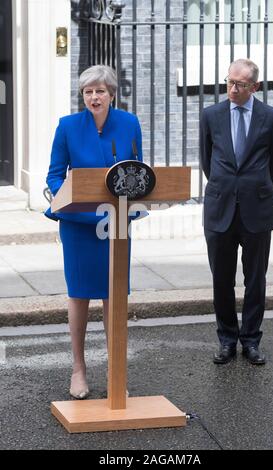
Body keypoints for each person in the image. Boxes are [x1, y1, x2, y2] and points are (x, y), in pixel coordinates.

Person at [45, 65, 143, 398]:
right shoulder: (68, 127)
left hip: (115, 224)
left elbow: (138, 172)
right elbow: (55, 176)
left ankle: (117, 374)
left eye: (100, 90)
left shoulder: (129, 124)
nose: (94, 96)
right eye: (88, 91)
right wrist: (71, 199)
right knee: (80, 294)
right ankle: (78, 369)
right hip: (78, 224)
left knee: (114, 296)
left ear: (111, 93)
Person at [200, 58, 273, 365]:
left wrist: (255, 187)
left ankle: (250, 340)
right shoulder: (211, 115)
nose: (232, 89)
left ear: (255, 87)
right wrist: (229, 187)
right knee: (221, 279)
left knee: (255, 279)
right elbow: (207, 161)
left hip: (257, 209)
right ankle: (226, 340)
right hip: (220, 208)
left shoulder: (271, 117)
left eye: (240, 85)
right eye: (229, 82)